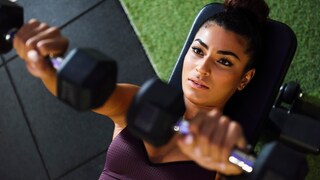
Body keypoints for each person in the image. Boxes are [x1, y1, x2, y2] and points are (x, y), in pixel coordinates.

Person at [13, 0, 269, 179]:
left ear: (245, 79)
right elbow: (92, 93)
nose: (202, 68)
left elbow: (242, 166)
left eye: (224, 61)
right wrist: (45, 66)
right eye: (198, 51)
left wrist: (235, 163)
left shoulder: (226, 153)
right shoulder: (139, 102)